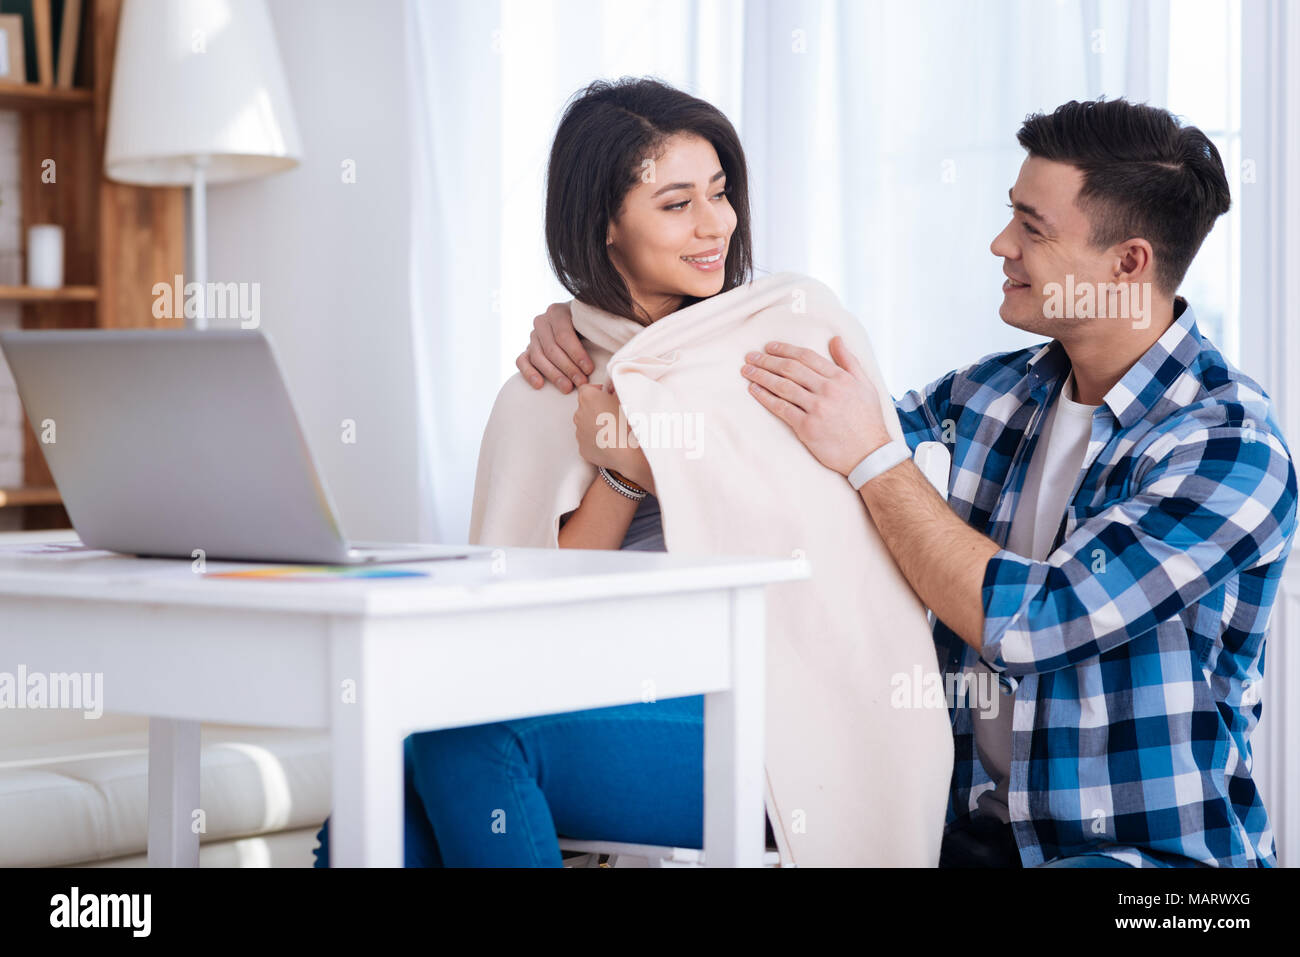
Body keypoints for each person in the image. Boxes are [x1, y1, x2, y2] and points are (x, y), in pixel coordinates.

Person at [517, 98, 1299, 867]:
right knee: (472, 752)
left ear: (1127, 263)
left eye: (1032, 228)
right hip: (966, 838)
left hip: (1156, 866)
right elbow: (769, 455)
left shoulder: (1233, 449)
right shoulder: (991, 398)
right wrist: (601, 324)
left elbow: (1036, 622)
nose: (1001, 244)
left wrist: (876, 459)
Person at [312, 75, 759, 866]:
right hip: (592, 692)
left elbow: (780, 533)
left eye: (719, 194)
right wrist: (620, 471)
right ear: (604, 225)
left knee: (459, 738)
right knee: (373, 795)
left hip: (750, 714)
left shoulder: (759, 354)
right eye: (676, 202)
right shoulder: (549, 384)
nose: (714, 225)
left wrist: (632, 448)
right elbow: (531, 607)